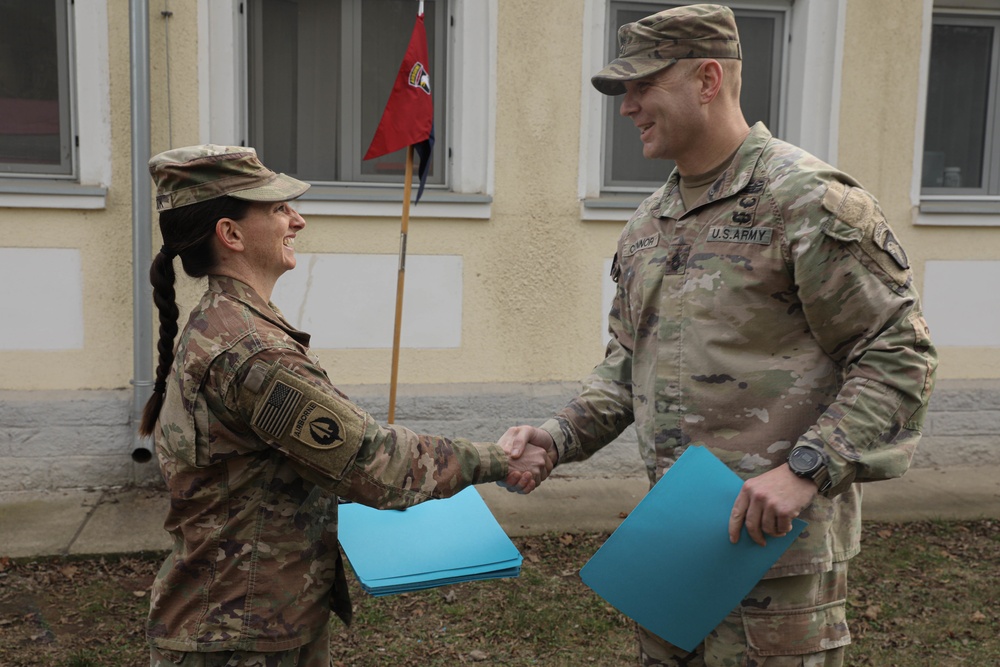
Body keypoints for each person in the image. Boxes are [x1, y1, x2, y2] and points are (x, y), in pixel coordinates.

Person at [500, 5, 937, 666]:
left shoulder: (805, 201)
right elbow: (628, 364)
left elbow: (899, 354)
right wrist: (556, 437)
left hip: (778, 564)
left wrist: (806, 468)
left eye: (643, 85)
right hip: (678, 548)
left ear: (707, 80)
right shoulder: (650, 222)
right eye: (625, 91)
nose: (628, 106)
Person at [139, 144, 554, 667]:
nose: (298, 219)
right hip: (239, 635)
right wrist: (498, 458)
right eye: (277, 208)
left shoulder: (226, 324)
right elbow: (372, 461)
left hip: (238, 619)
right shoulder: (253, 352)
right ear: (232, 234)